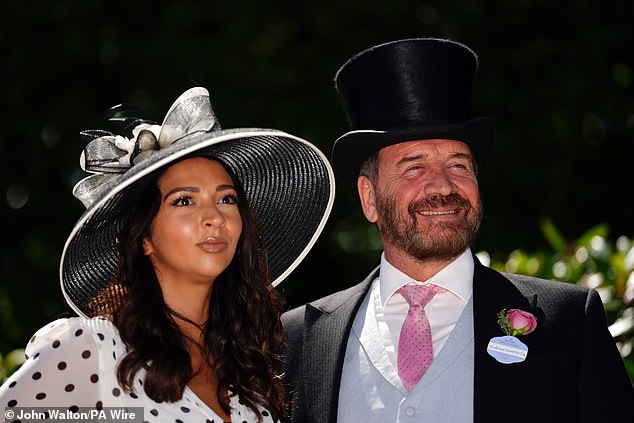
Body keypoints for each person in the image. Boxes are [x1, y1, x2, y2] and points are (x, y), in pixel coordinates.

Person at [280, 38, 634, 423]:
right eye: (414, 167)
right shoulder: (298, 339)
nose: (443, 186)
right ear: (369, 198)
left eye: (459, 165)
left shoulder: (568, 323)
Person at [0, 87, 335, 423]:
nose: (215, 217)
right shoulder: (93, 350)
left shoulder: (249, 378)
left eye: (227, 199)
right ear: (144, 237)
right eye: (185, 201)